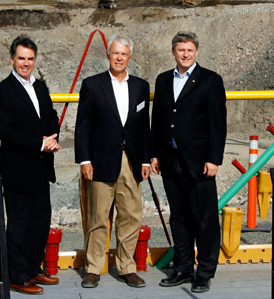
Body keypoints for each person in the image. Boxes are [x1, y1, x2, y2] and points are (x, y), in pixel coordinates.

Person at [150, 31, 227, 293]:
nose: (185, 54)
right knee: (179, 217)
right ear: (173, 51)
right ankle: (182, 268)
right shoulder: (162, 80)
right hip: (170, 161)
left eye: (189, 50)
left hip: (199, 163)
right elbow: (158, 120)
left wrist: (214, 158)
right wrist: (154, 153)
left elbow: (218, 125)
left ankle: (204, 272)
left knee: (204, 219)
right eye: (180, 50)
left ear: (196, 52)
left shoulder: (210, 80)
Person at [75, 34, 151, 289]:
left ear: (130, 57)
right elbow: (83, 125)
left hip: (131, 162)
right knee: (98, 216)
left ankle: (127, 267)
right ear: (108, 55)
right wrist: (84, 159)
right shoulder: (92, 85)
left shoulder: (141, 86)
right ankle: (94, 268)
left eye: (124, 54)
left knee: (130, 216)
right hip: (100, 161)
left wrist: (146, 160)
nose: (119, 58)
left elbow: (144, 128)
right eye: (115, 53)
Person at [0, 35, 62, 295]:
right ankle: (17, 276)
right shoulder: (3, 91)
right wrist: (39, 144)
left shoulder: (40, 87)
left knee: (40, 220)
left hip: (41, 166)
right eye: (21, 58)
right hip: (17, 167)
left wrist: (53, 139)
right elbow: (6, 131)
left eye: (30, 58)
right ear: (12, 59)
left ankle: (33, 268)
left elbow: (51, 116)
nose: (26, 63)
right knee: (19, 224)